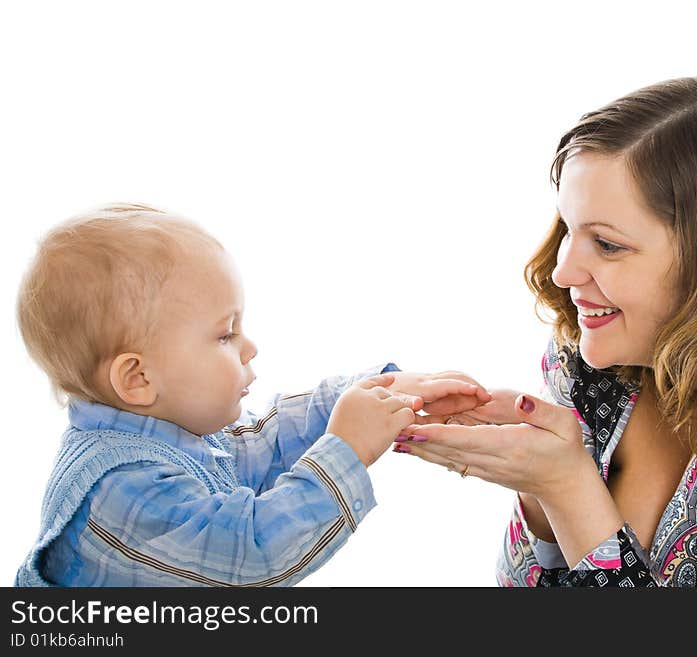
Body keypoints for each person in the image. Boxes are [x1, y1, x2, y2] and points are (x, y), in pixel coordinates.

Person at [395, 77, 697, 587]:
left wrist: (567, 487)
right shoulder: (592, 354)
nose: (563, 273)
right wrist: (535, 487)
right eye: (568, 228)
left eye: (606, 244)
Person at [15, 203, 490, 586]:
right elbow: (250, 556)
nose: (250, 347)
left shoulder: (167, 434)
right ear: (137, 378)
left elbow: (256, 448)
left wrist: (372, 393)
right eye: (225, 335)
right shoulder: (119, 493)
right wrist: (346, 449)